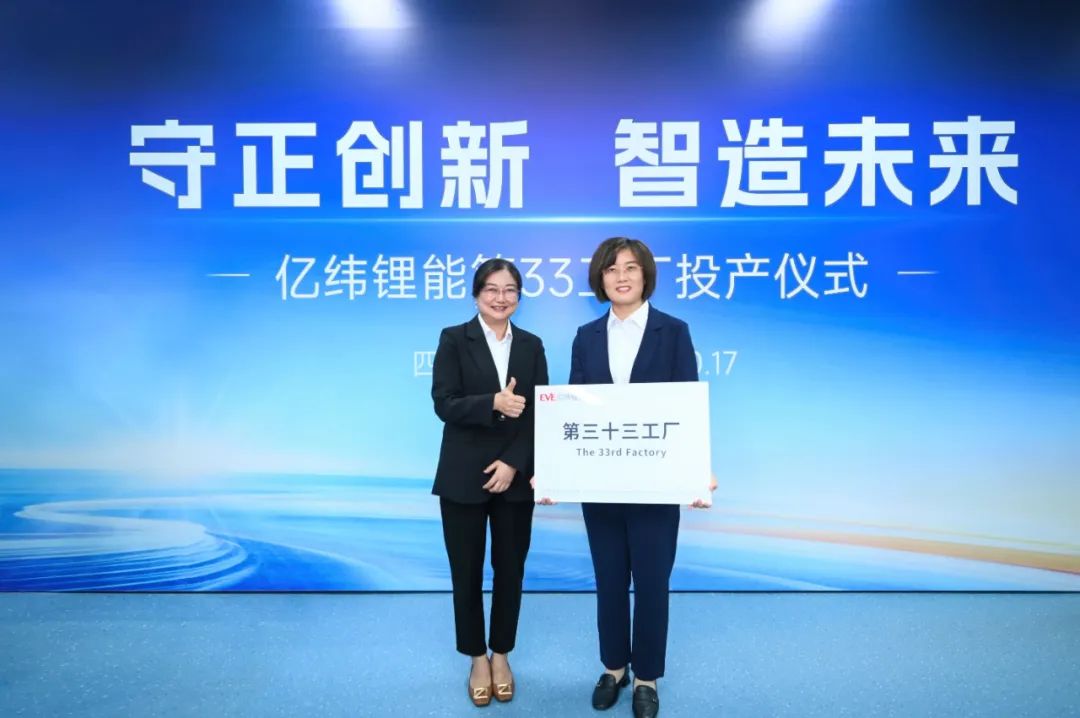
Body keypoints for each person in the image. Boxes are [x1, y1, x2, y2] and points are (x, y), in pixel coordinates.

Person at [568, 237, 716, 718]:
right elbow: (572, 411)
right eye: (611, 269)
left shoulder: (673, 331)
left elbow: (688, 405)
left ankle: (646, 677)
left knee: (652, 582)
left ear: (645, 275)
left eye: (630, 267)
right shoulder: (586, 336)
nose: (621, 276)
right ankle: (614, 668)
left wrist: (697, 471)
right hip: (600, 481)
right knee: (609, 579)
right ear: (600, 279)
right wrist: (554, 471)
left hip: (658, 481)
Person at [431, 258, 549, 707]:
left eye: (510, 290)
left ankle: (501, 655)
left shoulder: (532, 345)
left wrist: (513, 463)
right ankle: (476, 658)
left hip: (514, 477)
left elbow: (541, 410)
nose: (501, 298)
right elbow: (444, 403)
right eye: (492, 289)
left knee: (510, 570)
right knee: (466, 572)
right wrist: (493, 403)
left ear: (519, 296)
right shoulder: (453, 338)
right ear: (476, 294)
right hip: (462, 474)